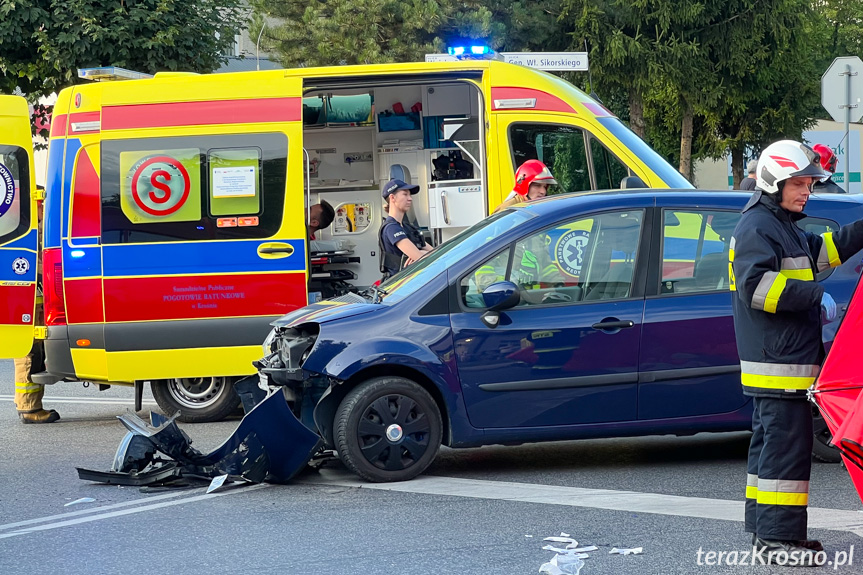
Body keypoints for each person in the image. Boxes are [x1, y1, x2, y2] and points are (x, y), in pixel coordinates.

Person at [730, 140, 863, 562]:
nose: (807, 191)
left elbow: (823, 252)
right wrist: (812, 296)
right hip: (778, 364)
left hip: (779, 361)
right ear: (775, 181)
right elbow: (757, 288)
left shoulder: (779, 223)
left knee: (768, 449)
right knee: (786, 453)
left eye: (809, 183)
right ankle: (777, 542)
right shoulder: (758, 227)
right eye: (800, 184)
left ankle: (763, 529)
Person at [15, 198, 59, 424]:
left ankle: (28, 404)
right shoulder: (23, 230)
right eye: (41, 204)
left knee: (36, 353)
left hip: (35, 300)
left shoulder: (31, 227)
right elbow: (34, 264)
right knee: (29, 353)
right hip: (26, 301)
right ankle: (28, 407)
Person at [380, 179, 432, 277]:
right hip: (400, 285)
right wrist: (420, 253)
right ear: (392, 198)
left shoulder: (408, 228)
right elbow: (420, 258)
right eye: (405, 194)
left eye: (410, 195)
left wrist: (422, 253)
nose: (410, 198)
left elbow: (436, 252)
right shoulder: (392, 228)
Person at [493, 160, 557, 213]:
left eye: (544, 186)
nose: (543, 191)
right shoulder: (507, 211)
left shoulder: (538, 207)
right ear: (524, 186)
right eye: (537, 185)